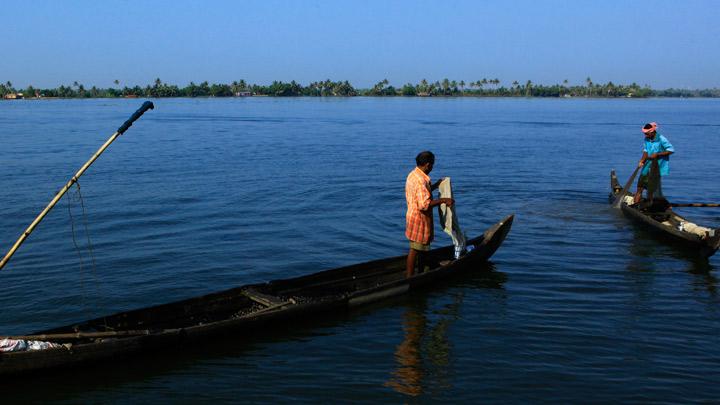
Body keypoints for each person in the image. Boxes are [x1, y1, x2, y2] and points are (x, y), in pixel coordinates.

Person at [405, 151, 454, 278]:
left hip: (411, 215)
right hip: (419, 220)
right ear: (427, 165)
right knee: (415, 249)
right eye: (432, 165)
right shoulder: (421, 181)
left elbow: (422, 193)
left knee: (418, 247)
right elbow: (424, 204)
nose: (432, 167)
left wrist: (436, 185)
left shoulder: (413, 174)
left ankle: (422, 270)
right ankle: (410, 278)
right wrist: (444, 200)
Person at [634, 122, 675, 204]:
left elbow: (671, 150)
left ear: (652, 132)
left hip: (656, 168)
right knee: (639, 187)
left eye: (647, 134)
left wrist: (657, 154)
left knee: (651, 189)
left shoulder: (661, 139)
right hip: (647, 166)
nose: (645, 136)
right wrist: (642, 160)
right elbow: (646, 150)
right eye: (644, 134)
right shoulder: (647, 139)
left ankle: (650, 205)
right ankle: (636, 205)